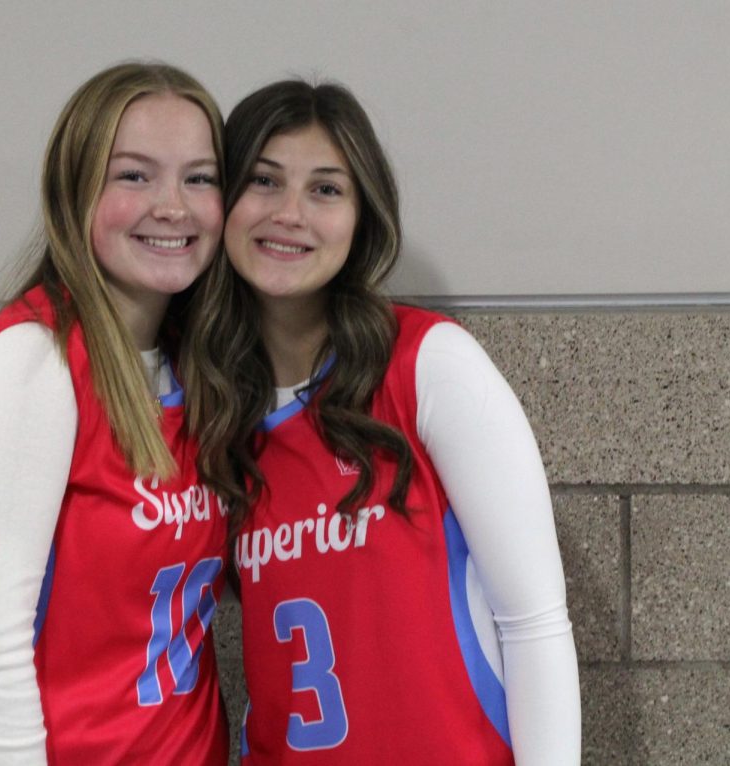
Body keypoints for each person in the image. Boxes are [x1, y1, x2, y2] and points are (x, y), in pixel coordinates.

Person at [183, 80, 581, 764]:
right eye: (264, 181)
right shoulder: (216, 413)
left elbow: (535, 624)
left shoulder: (430, 365)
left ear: (364, 216)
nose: (290, 214)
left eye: (326, 189)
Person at [0, 62, 230, 765]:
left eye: (199, 177)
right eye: (134, 175)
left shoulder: (194, 371)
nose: (173, 205)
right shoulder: (31, 364)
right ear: (73, 191)